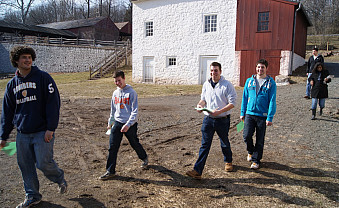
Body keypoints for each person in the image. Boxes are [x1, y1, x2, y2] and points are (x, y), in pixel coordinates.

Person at [0, 46, 67, 208]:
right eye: (24, 57)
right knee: (25, 165)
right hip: (22, 133)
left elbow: (53, 104)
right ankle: (32, 195)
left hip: (42, 131)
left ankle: (59, 177)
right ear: (16, 60)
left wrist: (50, 128)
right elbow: (7, 112)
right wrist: (3, 136)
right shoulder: (11, 85)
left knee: (43, 163)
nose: (27, 60)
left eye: (29, 57)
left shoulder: (44, 78)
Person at [186, 62, 237, 180]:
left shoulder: (227, 85)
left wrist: (219, 112)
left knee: (224, 142)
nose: (213, 73)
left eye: (216, 71)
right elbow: (203, 99)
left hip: (222, 120)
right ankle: (197, 170)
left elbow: (232, 103)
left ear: (220, 71)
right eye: (212, 71)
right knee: (204, 145)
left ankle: (228, 161)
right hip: (208, 119)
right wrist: (200, 105)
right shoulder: (206, 84)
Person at [99, 70, 148, 180]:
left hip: (129, 124)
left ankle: (144, 157)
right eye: (115, 81)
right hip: (117, 123)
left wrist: (128, 124)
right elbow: (113, 109)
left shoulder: (132, 93)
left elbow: (134, 112)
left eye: (119, 80)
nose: (117, 83)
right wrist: (110, 122)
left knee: (134, 143)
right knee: (112, 147)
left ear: (124, 78)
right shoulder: (115, 93)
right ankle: (110, 171)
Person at [240, 59, 276, 170]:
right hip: (249, 114)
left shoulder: (271, 83)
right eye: (258, 67)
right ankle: (250, 152)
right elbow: (245, 98)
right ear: (256, 68)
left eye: (262, 67)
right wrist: (242, 112)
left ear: (266, 68)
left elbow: (272, 100)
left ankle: (256, 161)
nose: (260, 69)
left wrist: (269, 117)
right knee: (246, 136)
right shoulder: (249, 81)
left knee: (260, 139)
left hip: (262, 115)